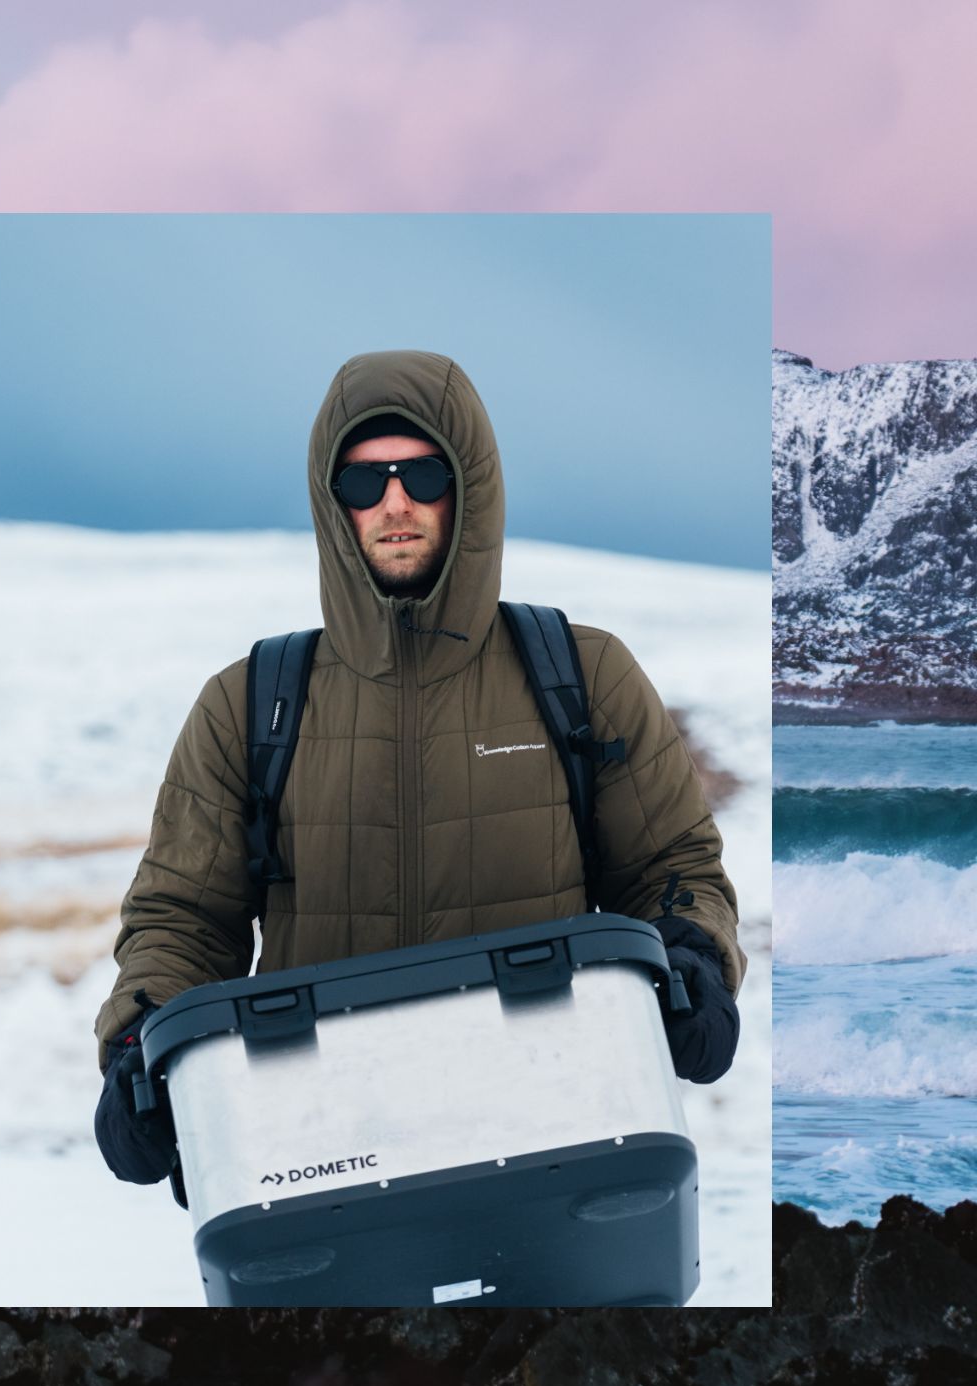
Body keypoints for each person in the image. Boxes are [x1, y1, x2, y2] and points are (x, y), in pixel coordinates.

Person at [92, 350, 745, 1190]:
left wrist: (692, 959)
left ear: (467, 485)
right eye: (364, 484)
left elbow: (671, 868)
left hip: (555, 1144)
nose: (393, 503)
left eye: (420, 474)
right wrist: (136, 1052)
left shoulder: (582, 676)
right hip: (313, 1165)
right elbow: (183, 919)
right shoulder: (248, 705)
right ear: (335, 506)